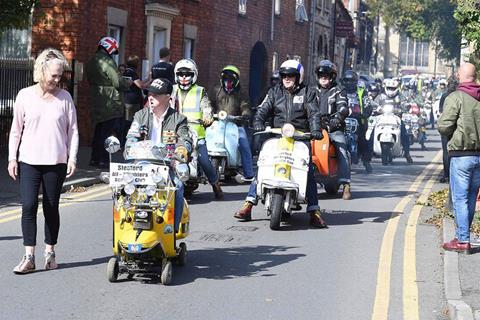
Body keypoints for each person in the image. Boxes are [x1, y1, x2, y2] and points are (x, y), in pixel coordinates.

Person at [8, 48, 79, 274]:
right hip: (29, 160)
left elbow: (73, 131)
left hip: (55, 161)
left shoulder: (65, 98)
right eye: (54, 76)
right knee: (28, 206)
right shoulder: (24, 95)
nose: (57, 80)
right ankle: (29, 257)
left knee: (51, 207)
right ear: (41, 71)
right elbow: (16, 131)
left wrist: (73, 157)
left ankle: (50, 253)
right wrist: (12, 157)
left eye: (60, 76)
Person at [233, 59, 327, 228]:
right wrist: (258, 122)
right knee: (263, 164)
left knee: (309, 171)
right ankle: (249, 203)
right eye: (284, 75)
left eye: (291, 75)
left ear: (299, 77)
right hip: (277, 136)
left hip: (300, 137)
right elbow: (263, 109)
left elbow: (313, 114)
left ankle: (314, 211)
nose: (287, 78)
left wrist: (315, 130)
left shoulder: (308, 93)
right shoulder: (274, 92)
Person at [125, 78, 191, 233]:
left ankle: (172, 231)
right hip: (142, 165)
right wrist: (129, 146)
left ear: (168, 97)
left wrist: (181, 150)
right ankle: (125, 226)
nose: (151, 97)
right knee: (121, 189)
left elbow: (184, 139)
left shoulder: (178, 119)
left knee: (178, 187)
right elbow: (131, 137)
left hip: (166, 166)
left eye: (156, 94)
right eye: (149, 94)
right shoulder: (140, 115)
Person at [438, 63, 480, 254]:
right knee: (471, 198)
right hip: (479, 156)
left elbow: (444, 126)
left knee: (460, 198)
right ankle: (462, 235)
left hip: (461, 155)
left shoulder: (456, 97)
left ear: (459, 75)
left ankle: (463, 240)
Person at [171, 58, 223, 199]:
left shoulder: (200, 91)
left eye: (187, 74)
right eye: (181, 74)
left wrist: (208, 116)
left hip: (196, 134)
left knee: (205, 161)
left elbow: (206, 106)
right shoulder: (171, 90)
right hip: (174, 133)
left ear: (194, 75)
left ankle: (215, 184)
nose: (184, 77)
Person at [86, 36, 131, 168]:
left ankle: (94, 159)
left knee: (98, 131)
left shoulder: (91, 61)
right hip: (110, 101)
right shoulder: (108, 62)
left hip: (96, 99)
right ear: (109, 49)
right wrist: (127, 82)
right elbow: (117, 82)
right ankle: (104, 160)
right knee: (107, 133)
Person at [314, 60, 351, 200]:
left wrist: (338, 118)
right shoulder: (311, 90)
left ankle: (346, 184)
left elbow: (343, 106)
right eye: (321, 74)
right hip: (314, 127)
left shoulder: (339, 90)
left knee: (342, 149)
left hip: (333, 128)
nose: (324, 77)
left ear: (332, 76)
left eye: (327, 74)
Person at [210, 65, 254, 179]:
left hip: (235, 124)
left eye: (231, 80)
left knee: (244, 144)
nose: (228, 82)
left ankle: (249, 173)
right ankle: (201, 168)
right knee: (205, 141)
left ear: (236, 80)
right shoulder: (216, 90)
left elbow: (245, 106)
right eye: (225, 79)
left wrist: (245, 115)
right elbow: (210, 103)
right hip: (218, 123)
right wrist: (208, 113)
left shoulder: (241, 92)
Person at [374, 78, 413, 163]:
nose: (391, 90)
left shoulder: (400, 96)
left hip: (396, 119)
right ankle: (368, 153)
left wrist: (405, 107)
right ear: (386, 87)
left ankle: (407, 153)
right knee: (370, 131)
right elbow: (374, 104)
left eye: (393, 88)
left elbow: (405, 104)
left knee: (404, 134)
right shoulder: (381, 96)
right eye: (389, 88)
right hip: (382, 118)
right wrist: (375, 108)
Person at [341, 70, 373, 172]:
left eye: (351, 81)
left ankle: (366, 161)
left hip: (359, 120)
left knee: (363, 141)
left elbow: (367, 104)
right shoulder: (339, 91)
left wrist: (365, 113)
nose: (349, 83)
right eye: (346, 80)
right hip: (341, 119)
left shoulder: (361, 92)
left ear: (356, 81)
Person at [438, 77, 459, 183]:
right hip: (456, 127)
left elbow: (440, 111)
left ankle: (446, 174)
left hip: (446, 127)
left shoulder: (445, 95)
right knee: (456, 151)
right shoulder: (460, 96)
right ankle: (452, 174)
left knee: (446, 152)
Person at [123, 55, 147, 121]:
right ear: (135, 63)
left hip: (126, 99)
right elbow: (140, 85)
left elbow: (136, 82)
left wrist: (148, 79)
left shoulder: (126, 71)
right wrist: (150, 81)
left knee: (127, 121)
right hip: (133, 102)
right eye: (138, 62)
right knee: (133, 121)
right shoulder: (132, 72)